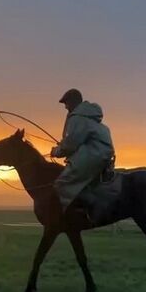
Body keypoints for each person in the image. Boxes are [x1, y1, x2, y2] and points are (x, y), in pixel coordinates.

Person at [50, 89, 115, 223]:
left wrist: (56, 151)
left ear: (73, 101)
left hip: (93, 155)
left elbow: (70, 145)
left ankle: (82, 213)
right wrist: (64, 145)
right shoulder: (91, 117)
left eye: (66, 103)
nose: (65, 107)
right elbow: (74, 141)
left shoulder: (78, 118)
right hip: (103, 154)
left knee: (62, 183)